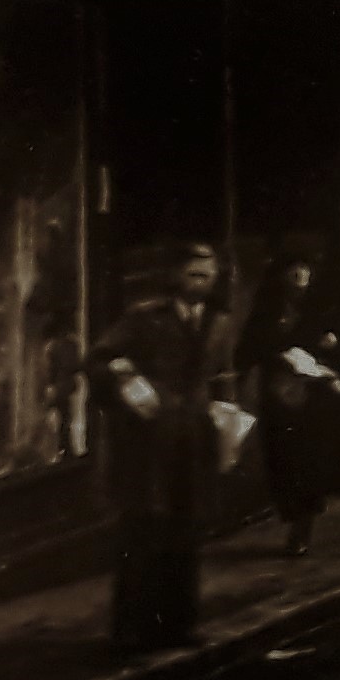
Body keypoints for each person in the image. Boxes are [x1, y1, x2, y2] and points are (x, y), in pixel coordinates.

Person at [92, 242, 234, 653]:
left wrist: (227, 417)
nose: (201, 283)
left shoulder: (220, 322)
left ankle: (178, 625)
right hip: (149, 445)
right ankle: (130, 632)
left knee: (186, 534)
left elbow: (222, 376)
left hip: (194, 442)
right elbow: (100, 358)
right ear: (175, 276)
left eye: (208, 276)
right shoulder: (144, 318)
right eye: (193, 274)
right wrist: (126, 379)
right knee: (142, 534)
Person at [243, 246, 340, 558]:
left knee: (308, 460)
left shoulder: (321, 305)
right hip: (278, 394)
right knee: (282, 459)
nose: (300, 275)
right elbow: (247, 348)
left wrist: (329, 344)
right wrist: (277, 354)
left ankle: (303, 526)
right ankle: (292, 514)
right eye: (293, 269)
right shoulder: (267, 309)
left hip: (313, 396)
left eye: (305, 268)